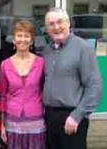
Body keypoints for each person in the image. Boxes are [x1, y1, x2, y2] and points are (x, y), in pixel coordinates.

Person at [42, 7, 103, 149]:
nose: (56, 27)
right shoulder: (47, 51)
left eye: (60, 22)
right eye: (51, 24)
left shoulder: (83, 48)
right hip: (50, 118)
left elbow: (94, 86)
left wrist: (77, 116)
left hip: (72, 118)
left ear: (68, 23)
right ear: (47, 28)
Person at [0, 20, 46, 149]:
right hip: (12, 121)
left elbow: (45, 90)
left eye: (26, 36)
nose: (23, 39)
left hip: (36, 121)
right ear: (13, 40)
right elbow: (2, 95)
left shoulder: (41, 62)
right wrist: (1, 124)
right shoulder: (5, 64)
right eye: (19, 35)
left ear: (31, 40)